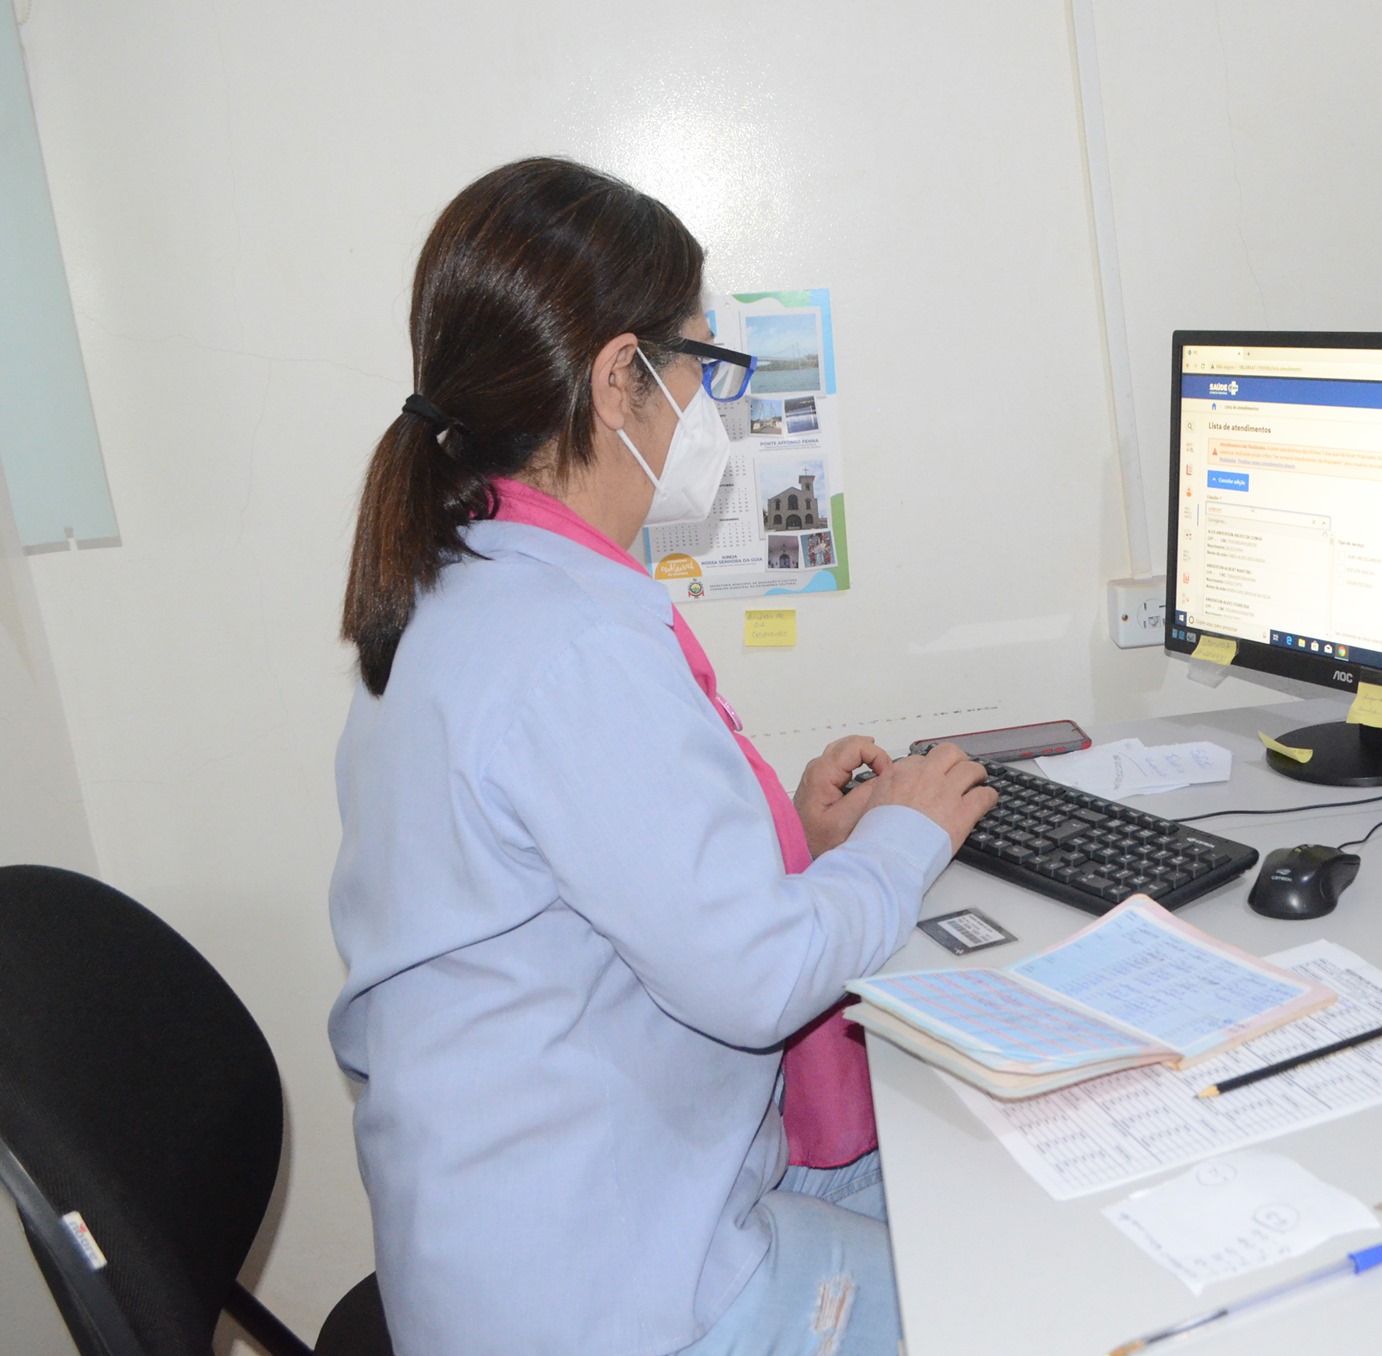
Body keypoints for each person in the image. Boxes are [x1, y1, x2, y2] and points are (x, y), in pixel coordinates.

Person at [328, 157, 994, 1356]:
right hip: (607, 1301)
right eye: (697, 365)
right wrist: (905, 838)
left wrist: (794, 841)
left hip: (532, 1234)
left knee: (966, 1195)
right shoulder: (570, 641)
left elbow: (605, 877)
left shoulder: (465, 587)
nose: (701, 406)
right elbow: (756, 981)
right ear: (617, 378)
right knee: (1009, 1286)